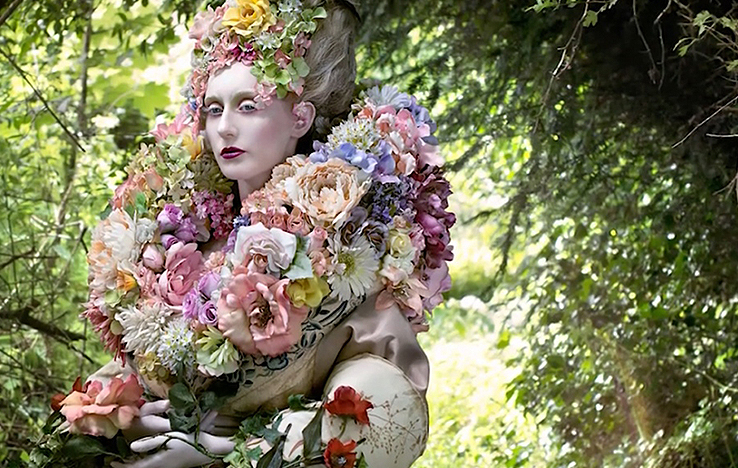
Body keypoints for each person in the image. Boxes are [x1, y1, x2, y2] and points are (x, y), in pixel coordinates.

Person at [65, 0, 455, 466]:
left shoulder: (343, 245)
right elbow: (133, 378)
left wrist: (228, 451)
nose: (225, 128)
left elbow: (385, 403)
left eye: (248, 106)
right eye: (213, 109)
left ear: (300, 118)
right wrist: (126, 416)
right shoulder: (179, 245)